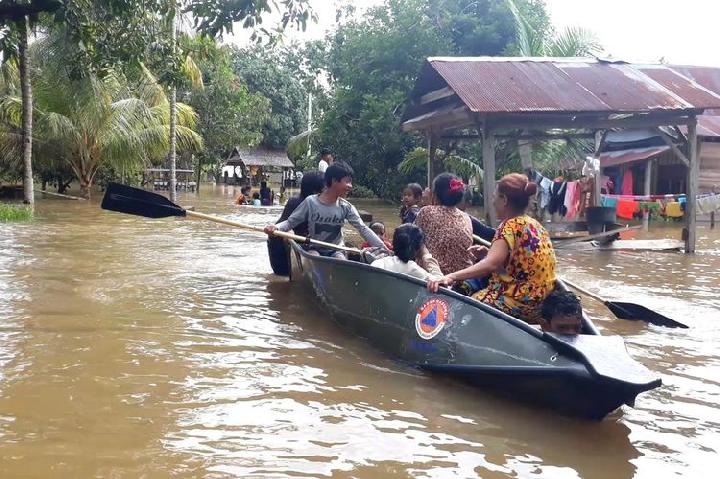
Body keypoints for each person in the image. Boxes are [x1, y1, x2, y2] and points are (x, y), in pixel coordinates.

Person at [427, 173, 557, 324]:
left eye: (495, 196)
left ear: (504, 200)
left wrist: (450, 276)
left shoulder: (509, 226)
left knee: (461, 311)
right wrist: (487, 254)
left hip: (520, 302)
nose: (493, 201)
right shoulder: (536, 225)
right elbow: (520, 265)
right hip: (541, 301)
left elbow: (491, 265)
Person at [264, 161, 386, 258]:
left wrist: (382, 247)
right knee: (314, 257)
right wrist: (276, 227)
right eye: (347, 181)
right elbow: (290, 222)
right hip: (314, 249)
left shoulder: (346, 207)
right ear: (334, 181)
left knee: (340, 260)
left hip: (336, 249)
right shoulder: (311, 202)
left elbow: (363, 228)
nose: (350, 186)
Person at [415, 173, 474, 274]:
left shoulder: (426, 212)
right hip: (463, 279)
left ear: (435, 195)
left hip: (434, 278)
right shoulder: (466, 217)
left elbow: (413, 241)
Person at [371, 224, 442, 280]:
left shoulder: (377, 263)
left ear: (394, 244)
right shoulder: (413, 269)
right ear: (417, 249)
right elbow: (441, 282)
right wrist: (427, 256)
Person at [274, 171, 325, 237]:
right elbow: (280, 226)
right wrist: (288, 232)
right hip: (297, 242)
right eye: (326, 188)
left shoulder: (329, 204)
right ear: (316, 191)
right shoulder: (295, 203)